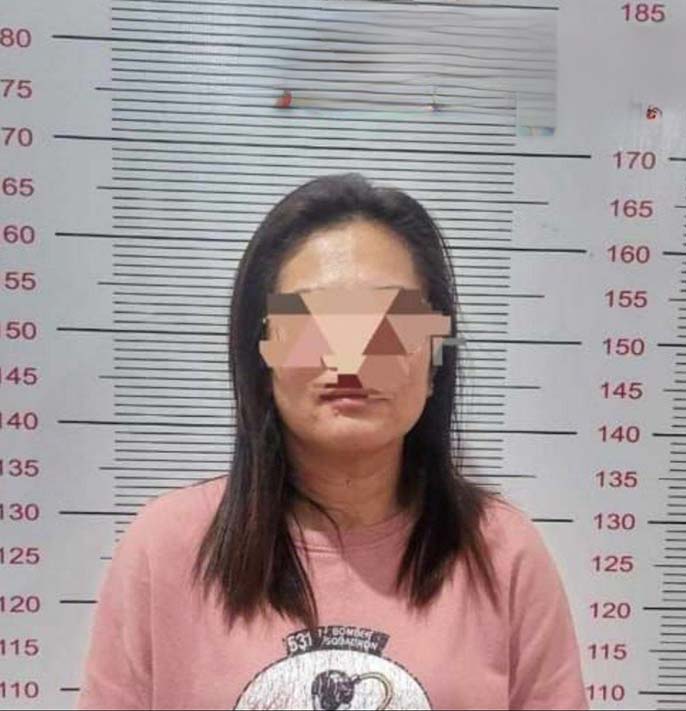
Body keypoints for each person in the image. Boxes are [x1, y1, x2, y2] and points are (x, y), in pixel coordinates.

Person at [75, 173, 588, 710]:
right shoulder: (166, 548)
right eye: (313, 323)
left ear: (434, 360)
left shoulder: (504, 553)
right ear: (262, 354)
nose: (350, 357)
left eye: (389, 325)